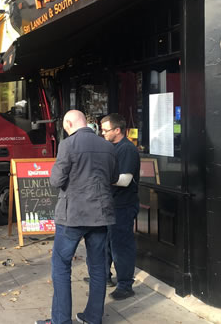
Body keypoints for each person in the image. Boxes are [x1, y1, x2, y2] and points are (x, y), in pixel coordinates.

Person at [37, 110, 117, 324]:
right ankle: (93, 318)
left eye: (65, 128)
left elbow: (56, 180)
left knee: (61, 266)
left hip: (72, 215)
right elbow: (114, 177)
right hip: (100, 215)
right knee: (99, 267)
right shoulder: (107, 146)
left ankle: (61, 320)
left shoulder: (68, 145)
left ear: (69, 124)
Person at [100, 113, 140, 301]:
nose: (102, 133)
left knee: (121, 246)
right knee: (107, 243)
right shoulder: (110, 147)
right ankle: (105, 277)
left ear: (117, 130)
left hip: (123, 205)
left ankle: (125, 285)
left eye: (106, 130)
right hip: (110, 203)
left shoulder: (127, 150)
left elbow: (125, 180)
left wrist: (100, 178)